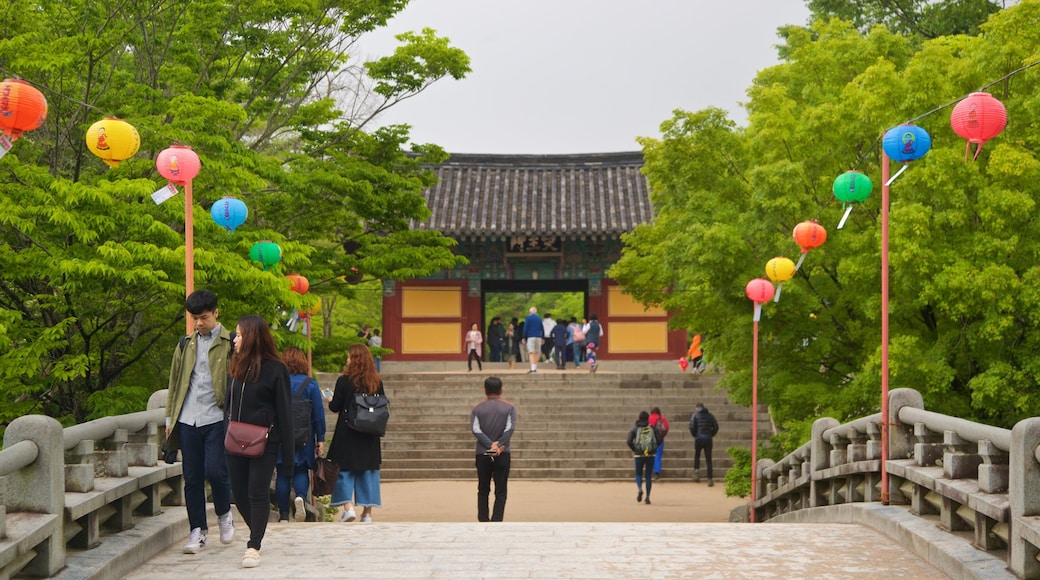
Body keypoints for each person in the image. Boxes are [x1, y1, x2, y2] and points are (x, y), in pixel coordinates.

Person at [165, 289, 236, 555]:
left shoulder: (231, 343)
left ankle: (224, 514)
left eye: (204, 317)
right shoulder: (185, 344)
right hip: (187, 419)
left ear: (216, 313)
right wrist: (170, 418)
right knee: (192, 478)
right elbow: (174, 383)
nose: (199, 323)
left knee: (217, 471)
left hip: (217, 417)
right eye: (194, 318)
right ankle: (197, 530)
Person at [225, 314, 294, 569]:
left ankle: (254, 545)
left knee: (257, 492)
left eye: (240, 335)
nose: (235, 339)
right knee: (239, 493)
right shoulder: (235, 366)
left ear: (253, 336)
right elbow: (228, 405)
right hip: (234, 439)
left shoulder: (276, 369)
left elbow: (285, 413)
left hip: (265, 441)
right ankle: (259, 529)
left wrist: (288, 458)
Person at [328, 344, 385, 523]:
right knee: (368, 472)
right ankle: (367, 513)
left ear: (354, 359)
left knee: (344, 471)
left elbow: (335, 406)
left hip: (348, 432)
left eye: (349, 357)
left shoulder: (344, 381)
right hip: (370, 432)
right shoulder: (376, 381)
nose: (347, 360)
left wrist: (330, 399)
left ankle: (348, 508)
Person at [275, 347, 326, 523]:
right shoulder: (310, 384)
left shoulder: (278, 382)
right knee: (301, 470)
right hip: (305, 435)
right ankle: (301, 498)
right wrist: (321, 438)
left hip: (282, 434)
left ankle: (283, 514)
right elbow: (318, 413)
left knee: (282, 472)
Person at [470, 376, 517, 522]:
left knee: (483, 488)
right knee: (501, 489)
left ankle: (483, 518)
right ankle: (497, 520)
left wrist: (490, 445)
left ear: (485, 390)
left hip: (483, 453)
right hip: (501, 453)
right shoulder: (509, 407)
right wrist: (498, 445)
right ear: (501, 390)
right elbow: (510, 429)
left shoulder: (477, 409)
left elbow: (475, 430)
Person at [626, 410, 660, 505]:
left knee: (638, 474)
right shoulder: (652, 428)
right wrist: (654, 448)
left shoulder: (635, 429)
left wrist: (635, 449)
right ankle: (648, 497)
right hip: (650, 455)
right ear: (647, 418)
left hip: (638, 455)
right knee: (648, 476)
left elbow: (628, 441)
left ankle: (640, 488)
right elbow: (659, 439)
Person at [689, 402, 720, 487]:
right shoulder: (710, 416)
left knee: (697, 455)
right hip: (708, 439)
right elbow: (716, 426)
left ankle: (696, 473)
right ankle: (709, 479)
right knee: (708, 458)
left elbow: (692, 426)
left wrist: (695, 434)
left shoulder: (695, 416)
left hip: (699, 438)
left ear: (697, 407)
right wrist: (711, 434)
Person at [647, 406, 670, 479]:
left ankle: (649, 470)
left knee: (649, 455)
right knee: (658, 456)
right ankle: (657, 472)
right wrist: (662, 436)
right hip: (660, 440)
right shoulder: (662, 418)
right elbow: (666, 428)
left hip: (650, 439)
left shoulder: (649, 418)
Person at [521, 307, 544, 373]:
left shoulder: (528, 318)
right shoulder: (539, 318)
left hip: (531, 336)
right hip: (538, 336)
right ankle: (535, 367)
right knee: (536, 352)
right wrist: (542, 337)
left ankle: (532, 368)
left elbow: (525, 328)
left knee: (531, 352)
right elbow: (542, 328)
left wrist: (524, 337)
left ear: (529, 312)